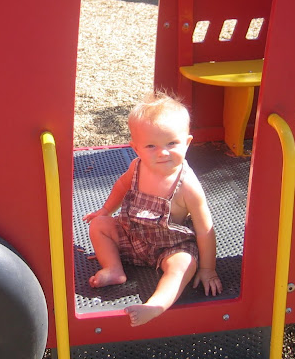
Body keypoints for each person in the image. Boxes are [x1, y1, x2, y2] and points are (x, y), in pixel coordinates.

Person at [83, 91, 222, 327]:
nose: (163, 152)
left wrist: (208, 269)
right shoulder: (136, 167)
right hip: (133, 237)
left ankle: (155, 305)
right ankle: (114, 268)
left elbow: (205, 229)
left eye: (172, 143)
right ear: (135, 148)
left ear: (187, 143)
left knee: (184, 264)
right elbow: (121, 186)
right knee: (99, 225)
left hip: (170, 247)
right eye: (151, 146)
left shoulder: (187, 185)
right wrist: (105, 211)